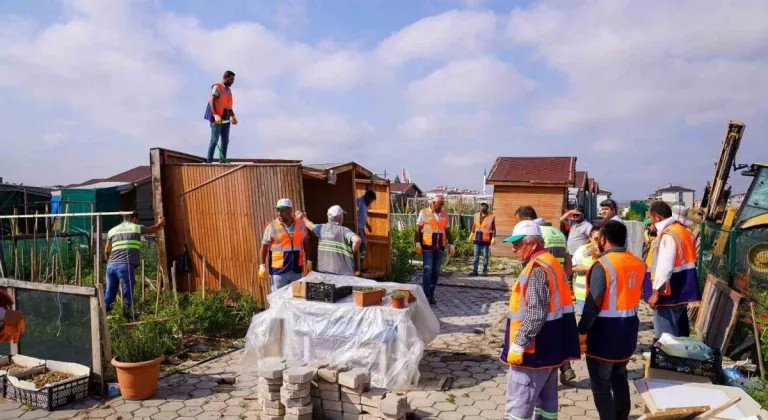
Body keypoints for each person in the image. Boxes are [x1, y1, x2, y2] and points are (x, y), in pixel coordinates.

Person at [500, 220, 580, 420]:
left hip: (533, 351)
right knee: (547, 402)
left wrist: (519, 344)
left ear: (532, 243)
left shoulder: (536, 269)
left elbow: (536, 313)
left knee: (519, 402)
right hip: (551, 348)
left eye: (517, 244)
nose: (513, 248)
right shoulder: (550, 262)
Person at [579, 221, 645, 420]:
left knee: (601, 386)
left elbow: (594, 302)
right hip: (628, 330)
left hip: (604, 334)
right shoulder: (636, 262)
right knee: (620, 378)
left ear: (603, 240)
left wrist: (581, 330)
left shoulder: (603, 265)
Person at [514, 206, 577, 384]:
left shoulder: (536, 234)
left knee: (545, 331)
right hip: (559, 282)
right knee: (558, 332)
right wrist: (565, 280)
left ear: (527, 220)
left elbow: (535, 264)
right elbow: (567, 258)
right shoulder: (556, 232)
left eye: (519, 222)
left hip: (543, 286)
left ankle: (561, 368)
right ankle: (565, 367)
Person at [642, 201, 701, 340]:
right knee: (680, 334)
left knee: (666, 338)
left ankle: (668, 360)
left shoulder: (668, 234)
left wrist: (656, 293)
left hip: (668, 293)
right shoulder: (684, 231)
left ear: (657, 217)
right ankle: (680, 360)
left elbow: (665, 267)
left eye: (651, 218)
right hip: (682, 288)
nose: (650, 222)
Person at [104, 212, 165, 316]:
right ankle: (128, 315)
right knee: (127, 291)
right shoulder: (136, 228)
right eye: (137, 219)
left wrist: (109, 262)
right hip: (125, 265)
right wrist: (160, 223)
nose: (138, 221)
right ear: (133, 218)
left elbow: (106, 251)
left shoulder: (112, 231)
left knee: (110, 292)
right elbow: (152, 229)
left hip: (110, 266)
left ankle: (103, 314)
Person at [259, 199, 310, 292]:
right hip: (278, 271)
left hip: (296, 270)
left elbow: (306, 241)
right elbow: (264, 246)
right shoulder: (271, 226)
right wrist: (262, 266)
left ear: (290, 210)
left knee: (297, 298)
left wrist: (309, 261)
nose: (279, 213)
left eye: (282, 210)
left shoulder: (300, 224)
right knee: (278, 299)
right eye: (278, 210)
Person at [299, 205, 362, 276]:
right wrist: (351, 251)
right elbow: (357, 240)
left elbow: (310, 225)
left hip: (324, 271)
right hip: (343, 273)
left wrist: (304, 218)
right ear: (340, 218)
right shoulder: (344, 230)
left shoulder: (321, 228)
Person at [415, 195, 455, 305]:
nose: (441, 206)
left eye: (442, 204)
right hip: (427, 246)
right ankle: (426, 294)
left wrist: (451, 243)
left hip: (440, 247)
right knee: (427, 270)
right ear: (433, 203)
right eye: (439, 204)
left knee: (436, 272)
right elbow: (418, 229)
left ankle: (431, 293)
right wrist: (417, 243)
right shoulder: (423, 212)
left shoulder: (444, 213)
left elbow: (446, 230)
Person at [204, 70, 238, 163]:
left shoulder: (228, 90)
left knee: (225, 141)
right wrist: (215, 115)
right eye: (231, 79)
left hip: (226, 119)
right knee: (214, 141)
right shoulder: (217, 87)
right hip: (217, 119)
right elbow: (212, 101)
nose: (232, 81)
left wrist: (233, 117)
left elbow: (228, 105)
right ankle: (209, 161)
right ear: (225, 78)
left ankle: (222, 160)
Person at [571, 226, 601, 311]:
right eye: (596, 238)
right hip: (583, 295)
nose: (599, 241)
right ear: (590, 237)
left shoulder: (608, 250)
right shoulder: (582, 250)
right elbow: (573, 267)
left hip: (603, 296)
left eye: (602, 238)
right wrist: (590, 269)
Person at [469, 203, 495, 276]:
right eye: (482, 206)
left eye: (485, 206)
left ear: (487, 208)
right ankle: (475, 271)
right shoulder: (476, 215)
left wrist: (493, 237)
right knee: (476, 255)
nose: (483, 207)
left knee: (485, 256)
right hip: (477, 238)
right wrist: (471, 233)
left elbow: (493, 228)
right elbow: (474, 225)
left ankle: (484, 271)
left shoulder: (491, 217)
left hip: (486, 239)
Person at [356, 191, 377, 270]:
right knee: (363, 245)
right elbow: (355, 213)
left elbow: (363, 216)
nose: (371, 202)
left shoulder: (366, 205)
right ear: (367, 197)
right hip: (357, 227)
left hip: (362, 227)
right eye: (371, 200)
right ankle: (358, 266)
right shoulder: (359, 201)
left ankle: (360, 265)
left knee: (363, 246)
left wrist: (368, 225)